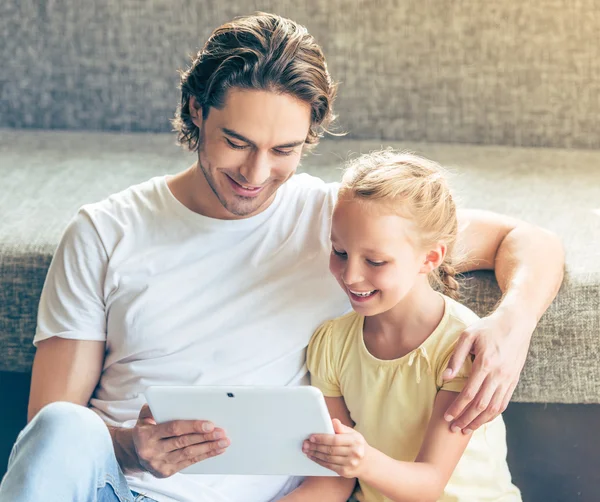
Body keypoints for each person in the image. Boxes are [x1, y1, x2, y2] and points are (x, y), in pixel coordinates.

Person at [0, 12, 563, 502]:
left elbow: (530, 241)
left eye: (284, 150)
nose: (255, 174)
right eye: (237, 142)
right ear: (197, 111)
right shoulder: (105, 231)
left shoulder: (339, 228)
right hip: (124, 488)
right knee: (63, 428)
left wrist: (511, 327)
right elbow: (51, 432)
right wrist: (131, 447)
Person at [285, 150, 521, 502]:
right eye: (340, 252)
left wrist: (362, 460)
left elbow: (428, 485)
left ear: (429, 258)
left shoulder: (461, 345)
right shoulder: (331, 343)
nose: (350, 276)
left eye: (376, 260)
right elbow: (333, 481)